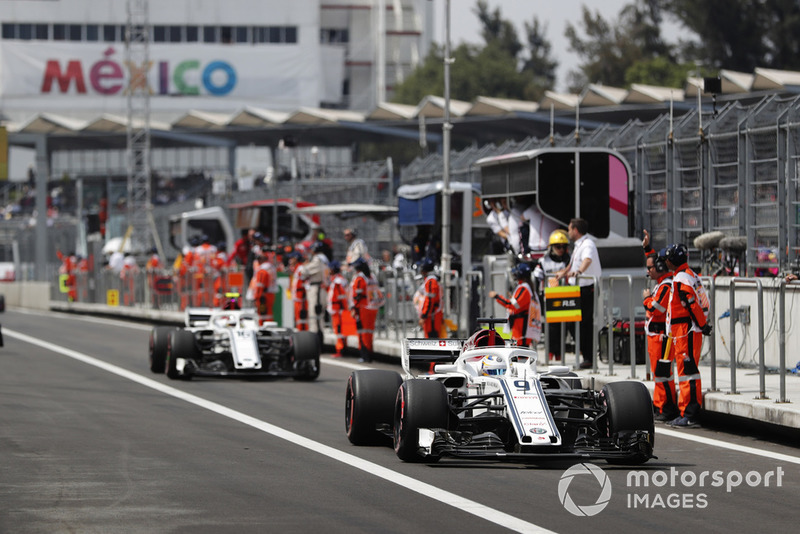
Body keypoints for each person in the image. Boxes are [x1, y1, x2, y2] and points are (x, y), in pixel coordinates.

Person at [664, 243, 712, 427]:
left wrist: (702, 325)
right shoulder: (688, 275)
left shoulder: (682, 279)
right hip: (686, 330)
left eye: (667, 259)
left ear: (672, 261)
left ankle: (690, 414)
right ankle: (685, 412)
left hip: (686, 330)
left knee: (688, 372)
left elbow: (692, 304)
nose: (665, 262)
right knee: (686, 372)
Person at [641, 231, 678, 422]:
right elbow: (654, 260)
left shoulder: (666, 286)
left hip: (661, 336)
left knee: (663, 374)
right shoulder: (662, 283)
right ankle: (660, 405)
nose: (648, 271)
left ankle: (667, 408)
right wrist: (648, 248)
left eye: (650, 268)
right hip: (655, 336)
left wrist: (647, 299)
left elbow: (656, 308)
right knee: (659, 374)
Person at [555, 218, 601, 369]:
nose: (568, 233)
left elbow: (587, 260)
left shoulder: (588, 244)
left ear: (575, 230)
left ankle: (589, 357)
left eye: (569, 229)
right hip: (576, 289)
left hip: (586, 288)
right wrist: (564, 273)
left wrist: (579, 271)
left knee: (584, 324)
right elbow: (573, 263)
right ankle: (585, 355)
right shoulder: (578, 245)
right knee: (572, 324)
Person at [533, 229, 571, 361]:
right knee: (550, 327)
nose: (560, 249)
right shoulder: (544, 261)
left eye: (563, 246)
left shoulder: (568, 260)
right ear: (551, 247)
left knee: (563, 327)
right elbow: (536, 276)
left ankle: (560, 353)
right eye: (557, 246)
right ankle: (550, 353)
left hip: (564, 296)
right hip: (548, 297)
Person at [489, 262, 541, 348]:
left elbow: (513, 305)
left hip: (522, 327)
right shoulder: (525, 287)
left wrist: (497, 296)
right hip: (519, 326)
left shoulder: (524, 288)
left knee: (521, 350)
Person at [349, 257, 376, 363]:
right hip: (371, 307)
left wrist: (354, 308)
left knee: (362, 332)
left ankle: (365, 355)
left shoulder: (360, 278)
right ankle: (369, 354)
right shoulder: (371, 276)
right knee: (369, 332)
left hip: (362, 308)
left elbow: (357, 295)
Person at [304, 240, 330, 342]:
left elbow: (304, 271)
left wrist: (305, 265)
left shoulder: (318, 259)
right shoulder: (324, 259)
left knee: (314, 316)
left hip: (317, 289)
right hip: (321, 288)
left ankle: (315, 341)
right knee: (319, 316)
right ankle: (318, 339)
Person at [416, 258, 443, 339]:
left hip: (432, 316)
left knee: (432, 339)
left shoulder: (431, 281)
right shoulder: (432, 280)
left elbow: (430, 301)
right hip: (432, 315)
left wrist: (424, 316)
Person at [326, 260, 348, 357]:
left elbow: (341, 297)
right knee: (339, 330)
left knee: (339, 330)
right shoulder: (337, 280)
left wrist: (341, 308)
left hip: (338, 309)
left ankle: (340, 350)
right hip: (337, 309)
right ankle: (341, 349)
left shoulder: (338, 281)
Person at [289, 251, 309, 331]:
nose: (290, 260)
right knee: (298, 316)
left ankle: (302, 332)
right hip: (297, 297)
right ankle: (299, 330)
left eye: (292, 258)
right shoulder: (297, 268)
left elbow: (304, 283)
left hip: (301, 298)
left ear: (296, 259)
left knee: (301, 316)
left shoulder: (301, 269)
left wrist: (303, 296)